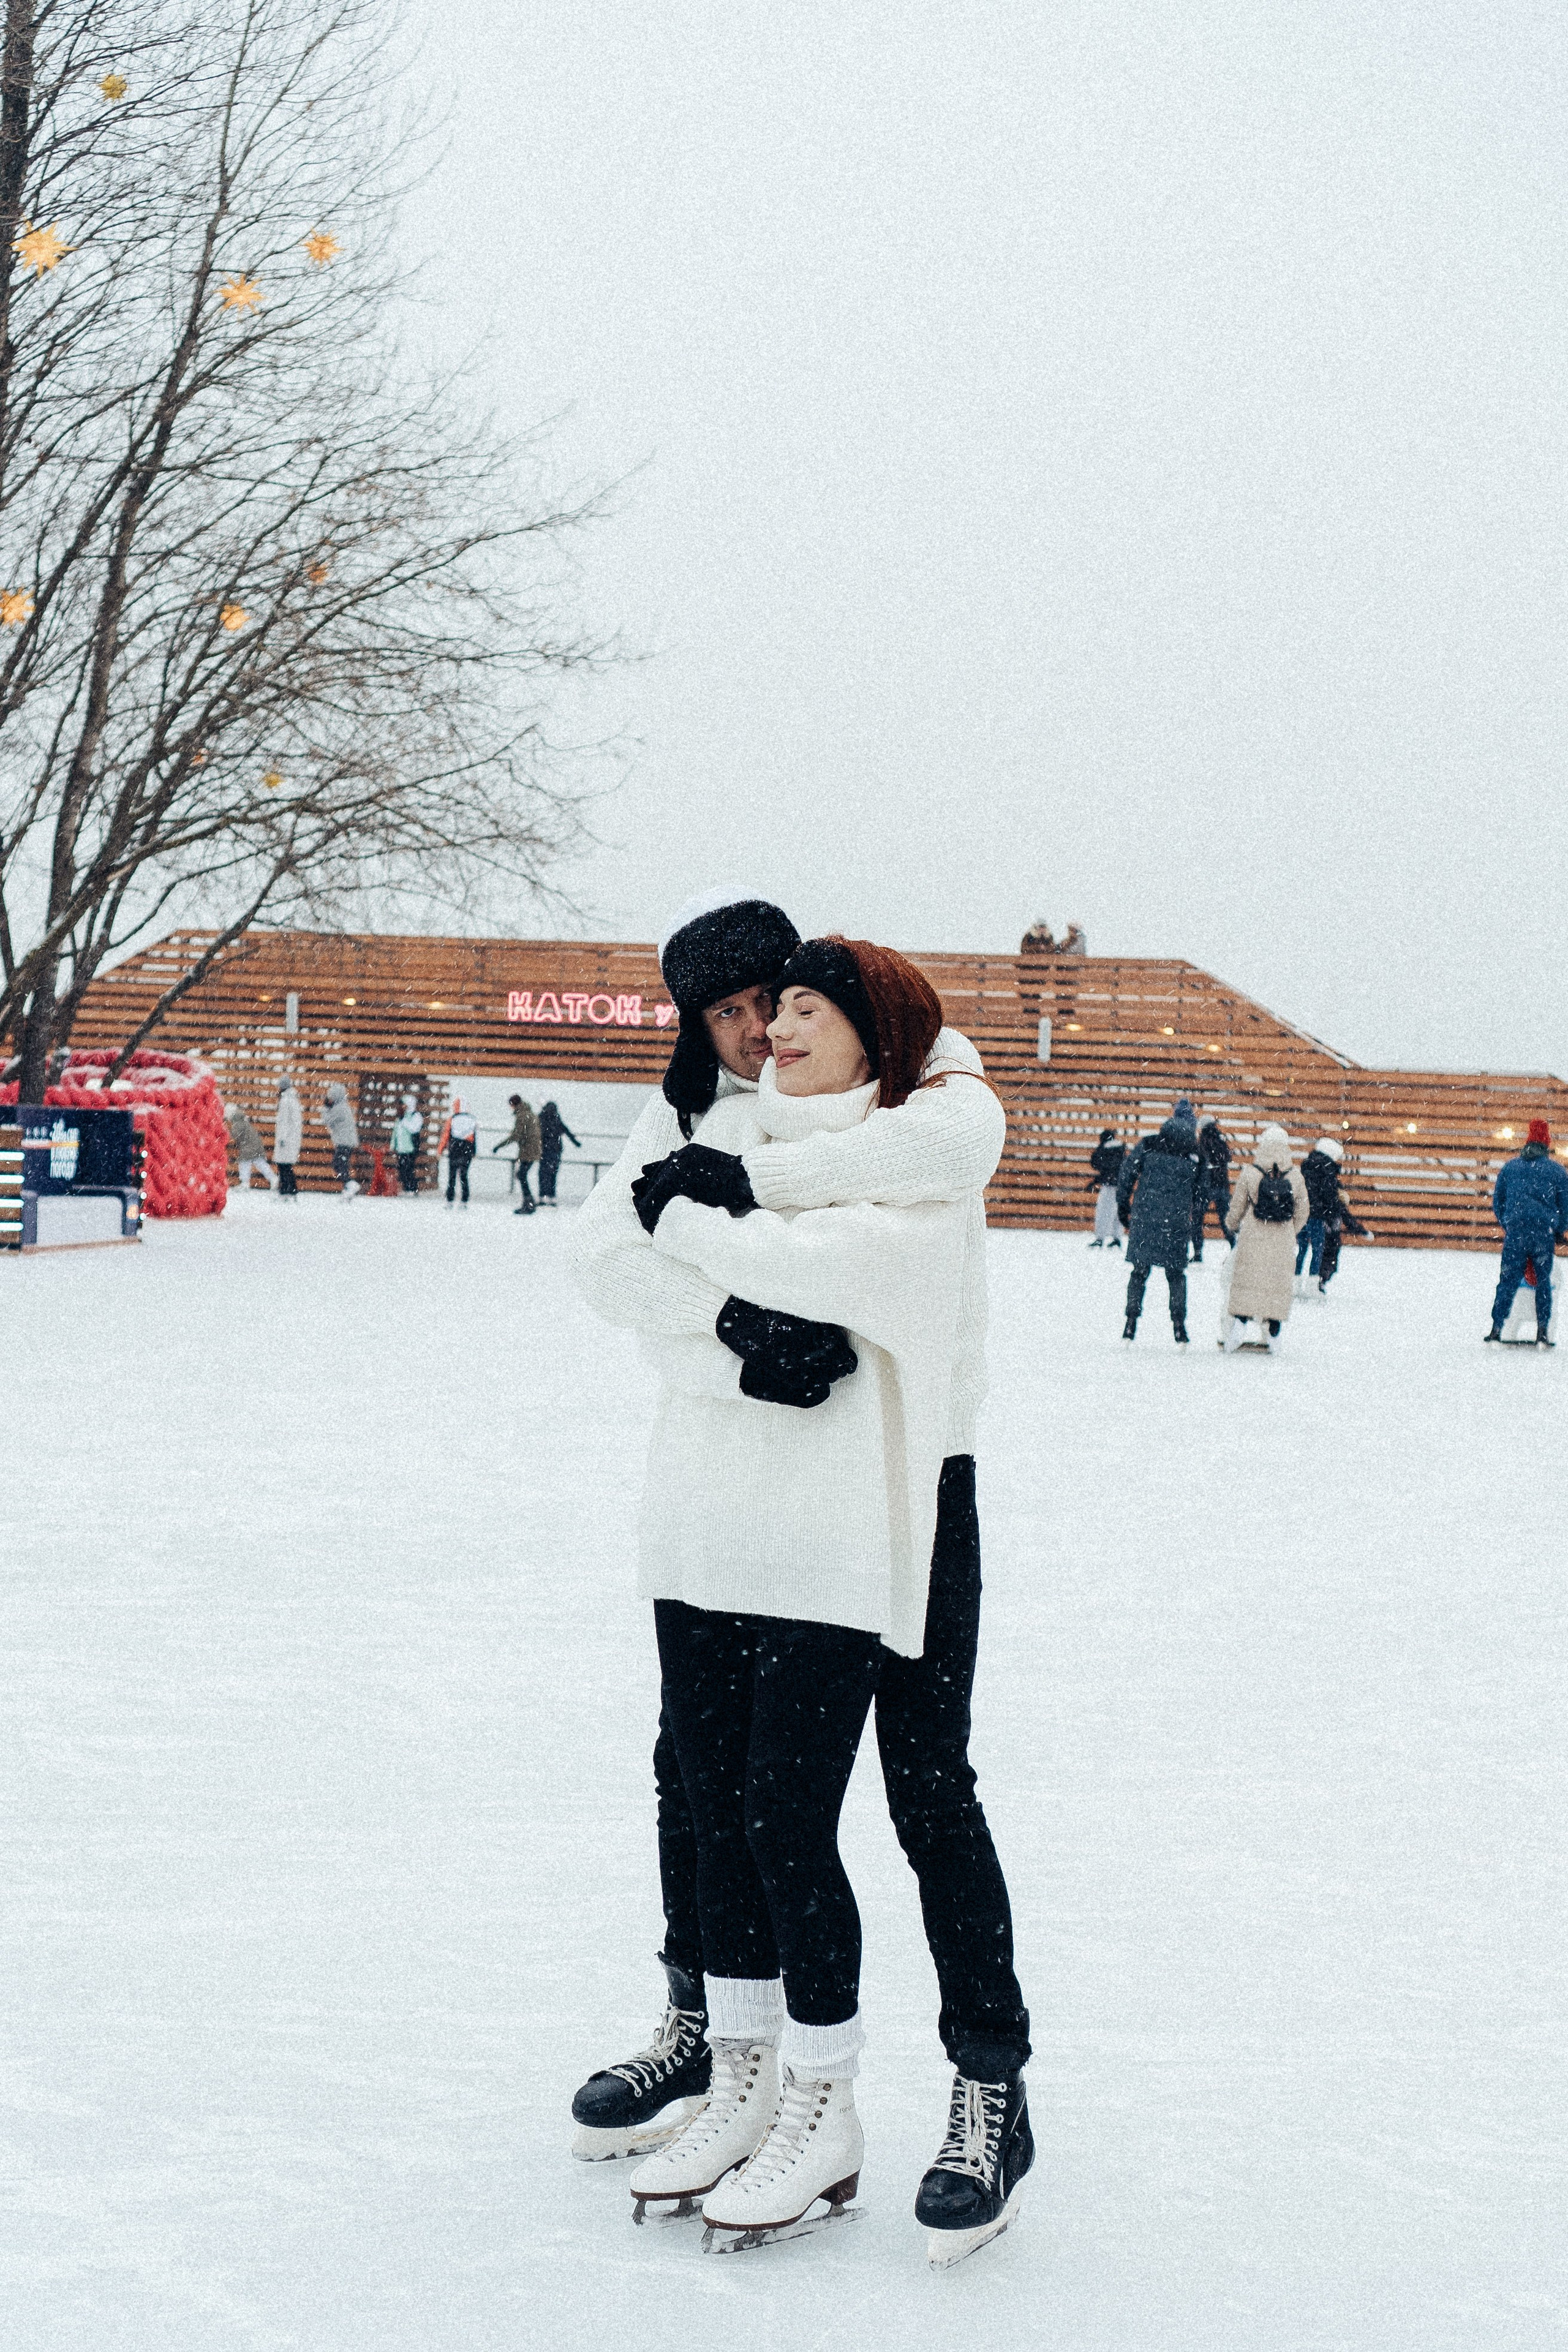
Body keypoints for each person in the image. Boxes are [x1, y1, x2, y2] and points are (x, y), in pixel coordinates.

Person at [568, 891, 1030, 2266]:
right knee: (706, 1777)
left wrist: (733, 1202)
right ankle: (715, 2035)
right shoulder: (702, 1107)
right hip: (748, 1503)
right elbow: (605, 1251)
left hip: (906, 1484)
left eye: (764, 1007)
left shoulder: (918, 1094)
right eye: (717, 1019)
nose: (749, 1036)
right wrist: (726, 1331)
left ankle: (986, 2087)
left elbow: (946, 1153)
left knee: (921, 1787)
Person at [1222, 1124, 1310, 1352]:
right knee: (1276, 1289)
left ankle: (1239, 1326)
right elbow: (1303, 1212)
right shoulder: (1296, 1176)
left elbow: (1238, 1206)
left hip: (1253, 1237)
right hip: (1282, 1240)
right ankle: (1274, 1334)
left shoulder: (1251, 1172)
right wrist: (1291, 1230)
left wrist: (1232, 1225)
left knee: (1248, 1285)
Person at [1117, 1111, 1199, 1343]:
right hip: (1176, 1221)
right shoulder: (1193, 1152)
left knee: (1139, 1272)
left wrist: (1124, 1206)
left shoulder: (1149, 1144)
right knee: (1176, 1275)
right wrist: (1194, 1219)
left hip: (1146, 1217)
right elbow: (1203, 1191)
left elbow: (1127, 1174)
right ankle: (1179, 1326)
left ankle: (1130, 1323)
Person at [1486, 1120, 1568, 1348]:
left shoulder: (1510, 1168)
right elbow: (1566, 1205)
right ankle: (1542, 1332)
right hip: (1543, 1234)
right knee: (1543, 1283)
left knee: (1508, 1281)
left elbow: (1498, 1202)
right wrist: (1558, 1228)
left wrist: (1509, 1224)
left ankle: (1496, 1328)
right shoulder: (1557, 1171)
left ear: (1528, 1141)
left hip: (1517, 1234)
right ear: (1546, 1144)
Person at [1295, 1137, 1367, 1297]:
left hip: (1303, 1215)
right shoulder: (1327, 1170)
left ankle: (1295, 1284)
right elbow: (1330, 1197)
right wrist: (1333, 1211)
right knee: (1318, 1252)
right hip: (1319, 1217)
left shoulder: (1305, 1167)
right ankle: (1314, 1285)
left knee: (1301, 1251)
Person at [493, 1094, 542, 1214]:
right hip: (534, 1150)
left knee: (522, 1175)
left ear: (513, 1104)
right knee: (522, 1175)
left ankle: (529, 1204)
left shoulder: (522, 1116)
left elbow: (516, 1135)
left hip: (528, 1151)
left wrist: (499, 1146)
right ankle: (529, 1203)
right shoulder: (530, 1114)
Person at [1193, 1115, 1232, 1259]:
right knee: (1225, 1219)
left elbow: (1199, 1162)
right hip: (1222, 1184)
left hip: (1206, 1186)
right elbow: (1228, 1157)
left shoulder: (1202, 1142)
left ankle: (1198, 1252)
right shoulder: (1221, 1139)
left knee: (1197, 1220)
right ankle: (1234, 1246)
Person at [318, 1082, 360, 1196]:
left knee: (339, 1165)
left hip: (344, 1142)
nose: (329, 1099)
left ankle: (350, 1184)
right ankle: (348, 1189)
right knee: (342, 1165)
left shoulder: (340, 1108)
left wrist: (325, 1109)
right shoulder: (343, 1107)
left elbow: (328, 1120)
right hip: (346, 1141)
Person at [1087, 1127, 1126, 1248]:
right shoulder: (1120, 1150)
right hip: (1121, 1186)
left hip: (1109, 1186)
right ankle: (1117, 1237)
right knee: (1117, 1213)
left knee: (1104, 1212)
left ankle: (1100, 1238)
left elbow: (1098, 1166)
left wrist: (1095, 1182)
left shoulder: (1105, 1151)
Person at [537, 1099, 580, 1205]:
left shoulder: (542, 1118)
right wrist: (576, 1143)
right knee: (553, 1175)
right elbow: (567, 1131)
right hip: (556, 1151)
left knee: (543, 1174)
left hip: (544, 1151)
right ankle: (552, 1198)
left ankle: (542, 1197)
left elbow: (536, 1132)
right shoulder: (556, 1119)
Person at [225, 1102, 276, 1191]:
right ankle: (273, 1179)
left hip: (249, 1146)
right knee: (260, 1163)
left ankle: (245, 1183)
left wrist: (223, 1134)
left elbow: (233, 1135)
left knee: (244, 1163)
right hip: (255, 1145)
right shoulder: (242, 1120)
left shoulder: (238, 1123)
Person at [438, 1097, 479, 1204]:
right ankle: (465, 1197)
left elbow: (446, 1136)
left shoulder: (452, 1119)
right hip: (467, 1149)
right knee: (464, 1175)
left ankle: (450, 1197)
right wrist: (474, 1151)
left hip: (455, 1148)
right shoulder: (472, 1120)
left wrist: (440, 1150)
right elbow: (474, 1137)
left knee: (452, 1175)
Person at [273, 1077, 302, 1198]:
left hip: (286, 1138)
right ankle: (291, 1188)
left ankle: (287, 1189)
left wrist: (282, 1138)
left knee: (283, 1165)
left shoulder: (286, 1101)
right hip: (293, 1137)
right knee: (287, 1165)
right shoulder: (294, 1099)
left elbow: (284, 1122)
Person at [390, 1092, 423, 1193]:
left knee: (409, 1169)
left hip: (410, 1148)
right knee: (402, 1169)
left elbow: (414, 1129)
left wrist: (404, 1121)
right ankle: (406, 1188)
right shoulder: (400, 1117)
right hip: (401, 1148)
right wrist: (393, 1146)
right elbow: (395, 1133)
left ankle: (412, 1189)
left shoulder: (416, 1116)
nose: (402, 1106)